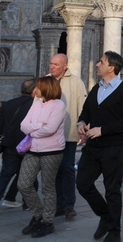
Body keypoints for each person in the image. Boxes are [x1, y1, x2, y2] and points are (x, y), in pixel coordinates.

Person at [76, 51, 123, 242]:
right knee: (83, 184)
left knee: (112, 190)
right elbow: (86, 111)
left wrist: (103, 130)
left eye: (101, 62)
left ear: (111, 67)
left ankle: (114, 232)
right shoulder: (96, 88)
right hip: (93, 147)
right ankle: (105, 215)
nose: (97, 64)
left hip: (113, 147)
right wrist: (81, 122)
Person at [17, 77, 66, 238]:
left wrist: (33, 130)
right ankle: (37, 215)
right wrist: (38, 127)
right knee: (23, 184)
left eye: (38, 87)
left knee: (48, 188)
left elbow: (50, 129)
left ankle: (48, 221)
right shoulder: (36, 103)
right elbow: (23, 125)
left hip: (51, 151)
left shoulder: (59, 105)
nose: (35, 90)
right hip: (32, 150)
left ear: (46, 88)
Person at [48, 54, 86, 220]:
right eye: (51, 63)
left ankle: (69, 205)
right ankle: (58, 203)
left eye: (56, 64)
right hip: (48, 135)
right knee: (53, 170)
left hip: (68, 134)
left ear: (65, 66)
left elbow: (83, 107)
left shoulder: (76, 82)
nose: (52, 66)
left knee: (68, 168)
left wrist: (83, 128)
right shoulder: (45, 80)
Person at [0, 79, 35, 209]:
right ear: (34, 90)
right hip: (27, 146)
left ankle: (10, 197)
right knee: (29, 175)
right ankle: (28, 203)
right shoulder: (35, 105)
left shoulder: (8, 104)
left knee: (5, 175)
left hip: (10, 145)